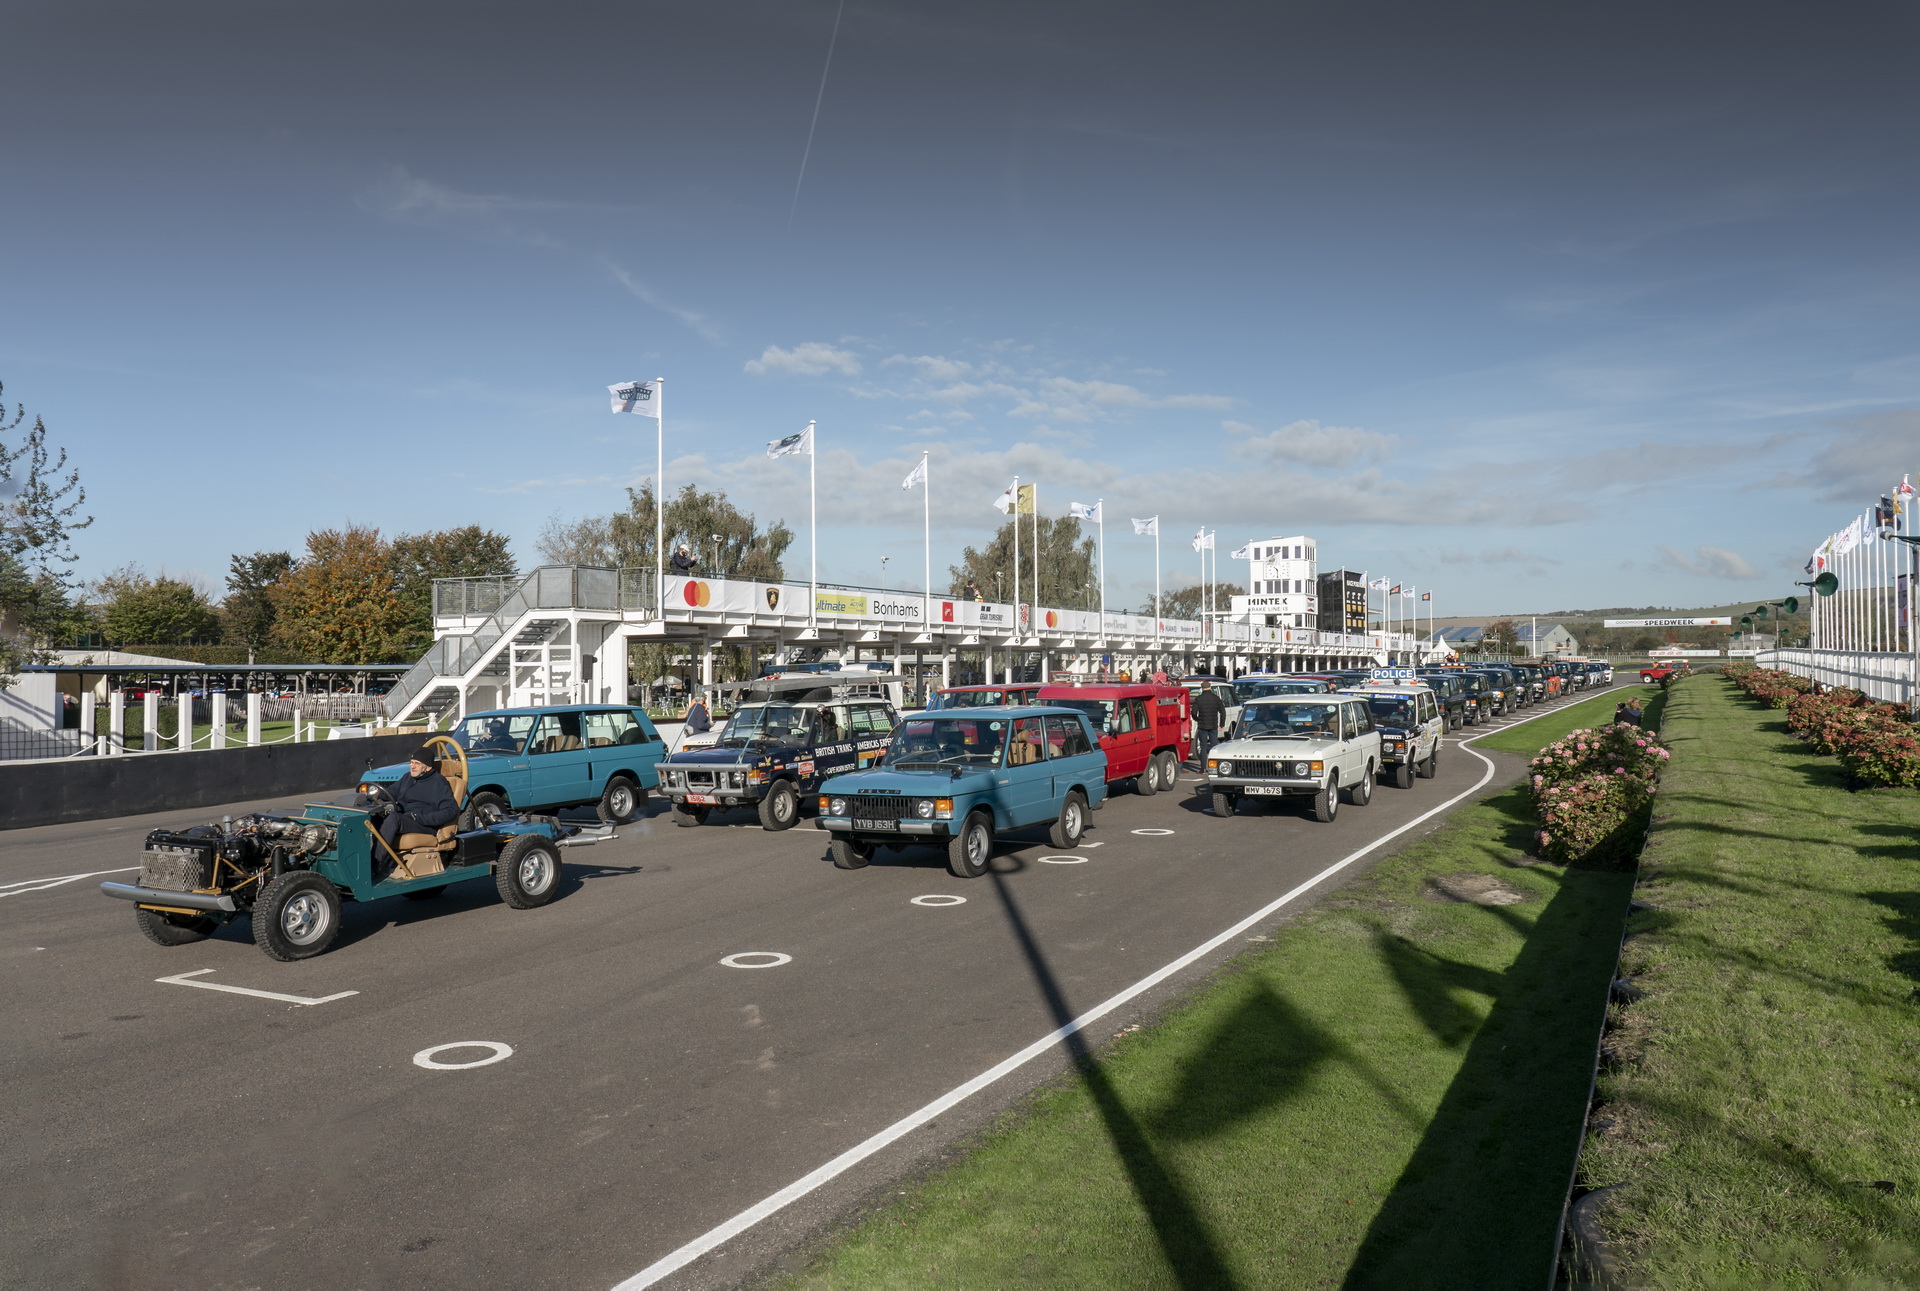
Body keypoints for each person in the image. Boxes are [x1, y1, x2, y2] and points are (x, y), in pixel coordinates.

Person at [370, 746, 459, 880]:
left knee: (393, 818)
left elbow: (451, 811)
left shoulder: (438, 783)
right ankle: (359, 859)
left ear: (427, 767)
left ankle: (372, 865)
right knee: (371, 816)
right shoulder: (408, 778)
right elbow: (390, 793)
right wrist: (374, 794)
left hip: (424, 824)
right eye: (412, 762)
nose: (413, 766)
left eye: (417, 764)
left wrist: (419, 818)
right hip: (405, 818)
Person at [1190, 681, 1227, 767]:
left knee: (1203, 747)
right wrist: (1222, 724)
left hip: (1202, 725)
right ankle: (1214, 766)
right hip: (1213, 725)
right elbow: (1222, 712)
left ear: (1202, 688)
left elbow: (1194, 712)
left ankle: (1203, 768)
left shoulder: (1199, 699)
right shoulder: (1216, 698)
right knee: (1214, 746)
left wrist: (1197, 719)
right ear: (1210, 687)